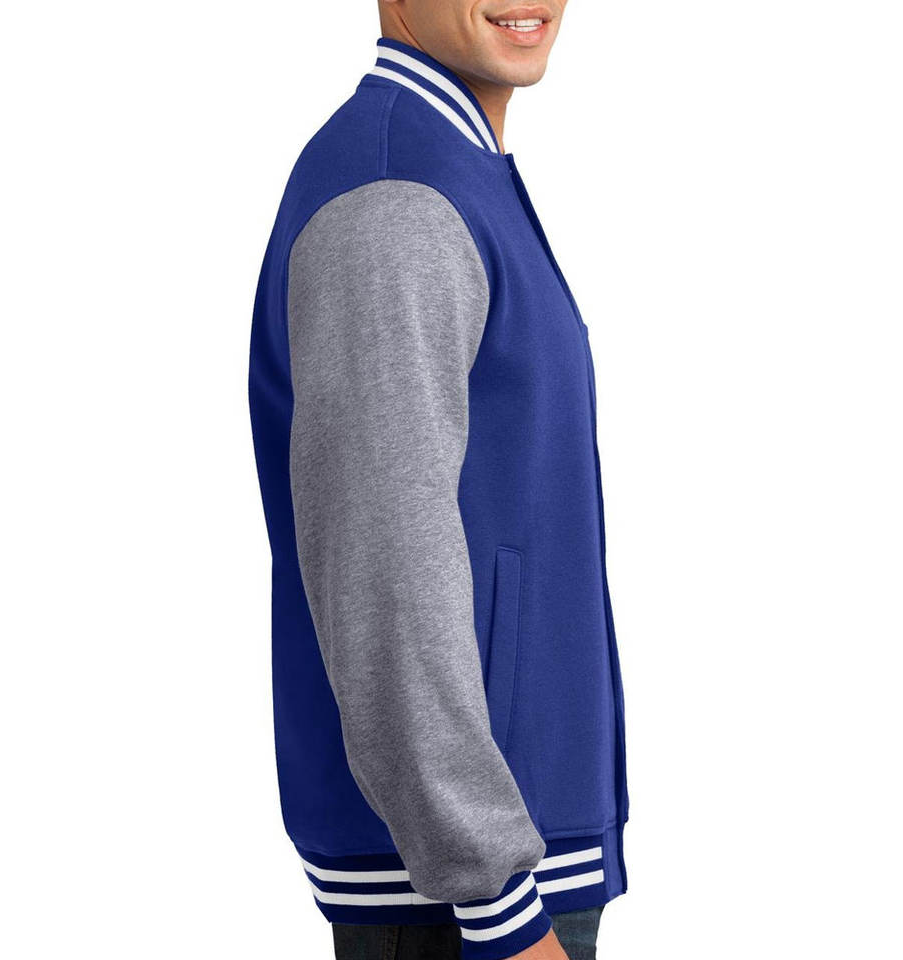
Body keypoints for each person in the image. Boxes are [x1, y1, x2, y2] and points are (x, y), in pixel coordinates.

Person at [248, 2, 628, 958]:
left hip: (492, 865)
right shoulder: (396, 198)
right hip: (461, 903)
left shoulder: (453, 168)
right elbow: (386, 573)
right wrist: (498, 903)